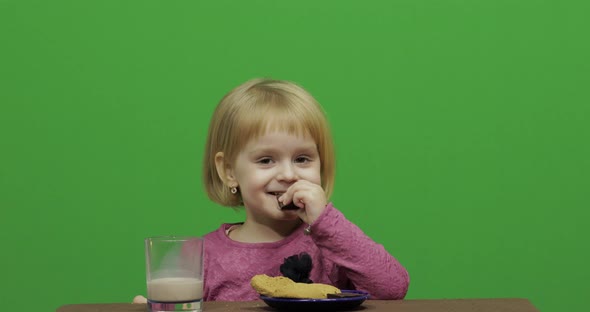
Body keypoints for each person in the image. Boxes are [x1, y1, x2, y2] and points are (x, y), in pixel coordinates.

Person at [135, 78, 409, 303]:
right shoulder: (201, 257)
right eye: (266, 160)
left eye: (302, 159)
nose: (288, 175)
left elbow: (393, 289)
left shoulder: (332, 246)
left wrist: (326, 221)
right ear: (229, 171)